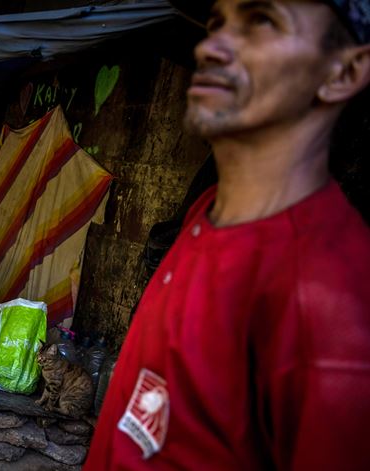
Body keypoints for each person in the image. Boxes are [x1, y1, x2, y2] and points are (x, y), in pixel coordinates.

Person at [85, 1, 370, 469]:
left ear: (344, 70)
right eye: (217, 22)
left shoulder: (331, 305)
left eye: (262, 20)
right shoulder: (208, 212)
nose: (213, 46)